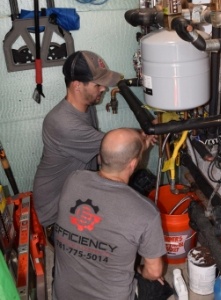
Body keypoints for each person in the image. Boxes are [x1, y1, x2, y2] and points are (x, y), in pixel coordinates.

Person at [53, 128, 167, 300]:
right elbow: (154, 271)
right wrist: (140, 271)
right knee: (160, 285)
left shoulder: (74, 180)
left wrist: (140, 143)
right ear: (133, 164)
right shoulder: (145, 212)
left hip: (62, 296)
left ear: (100, 156)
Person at [33, 50, 134, 231]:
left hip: (79, 192)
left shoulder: (86, 106)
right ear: (77, 86)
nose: (104, 88)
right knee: (125, 230)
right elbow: (115, 145)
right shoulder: (62, 123)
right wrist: (145, 134)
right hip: (56, 214)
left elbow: (100, 153)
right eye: (98, 84)